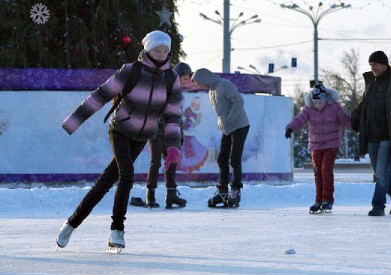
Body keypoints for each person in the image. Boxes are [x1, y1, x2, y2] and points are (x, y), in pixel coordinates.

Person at [56, 30, 182, 251]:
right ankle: (117, 230)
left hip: (143, 136)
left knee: (105, 182)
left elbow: (173, 115)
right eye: (157, 49)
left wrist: (173, 145)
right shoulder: (130, 71)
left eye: (165, 50)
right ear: (147, 49)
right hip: (121, 130)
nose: (161, 54)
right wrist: (74, 120)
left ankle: (71, 223)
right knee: (127, 175)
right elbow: (101, 95)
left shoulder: (171, 79)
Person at [351, 50, 391, 216]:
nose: (372, 67)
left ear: (384, 64)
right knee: (380, 171)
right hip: (372, 135)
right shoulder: (371, 83)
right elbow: (363, 104)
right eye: (371, 64)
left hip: (389, 135)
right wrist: (356, 116)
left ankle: (378, 206)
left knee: (381, 172)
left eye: (375, 64)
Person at [130, 62, 193, 209]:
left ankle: (171, 195)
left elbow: (176, 117)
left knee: (171, 161)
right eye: (184, 78)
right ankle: (150, 195)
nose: (186, 82)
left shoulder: (178, 93)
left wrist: (179, 136)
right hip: (156, 130)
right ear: (177, 76)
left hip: (170, 133)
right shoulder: (162, 87)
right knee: (156, 161)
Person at [285, 83, 351, 213]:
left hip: (331, 143)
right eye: (315, 102)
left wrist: (358, 126)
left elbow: (345, 120)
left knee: (325, 169)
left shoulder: (335, 107)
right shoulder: (308, 109)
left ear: (326, 99)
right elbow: (300, 119)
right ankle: (318, 201)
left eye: (320, 102)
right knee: (317, 172)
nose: (317, 105)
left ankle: (328, 200)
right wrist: (290, 127)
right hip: (316, 144)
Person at [191, 68, 250, 208]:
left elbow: (239, 101)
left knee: (234, 159)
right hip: (228, 128)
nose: (199, 86)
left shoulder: (224, 85)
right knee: (221, 159)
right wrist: (222, 123)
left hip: (240, 125)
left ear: (205, 78)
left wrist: (229, 119)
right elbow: (220, 111)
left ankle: (236, 191)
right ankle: (223, 191)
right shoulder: (212, 90)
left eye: (199, 83)